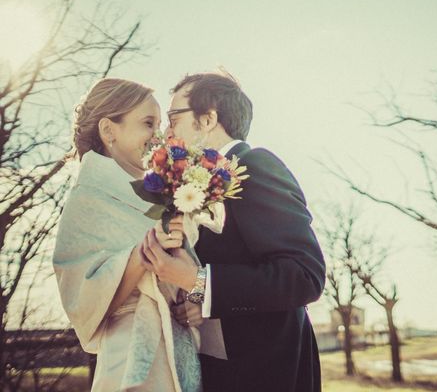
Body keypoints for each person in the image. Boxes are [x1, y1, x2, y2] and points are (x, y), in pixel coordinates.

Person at [141, 72, 326, 392]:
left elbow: (304, 275)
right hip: (222, 374)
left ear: (208, 118)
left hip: (265, 374)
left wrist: (196, 280)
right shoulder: (193, 185)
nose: (167, 130)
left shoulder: (255, 165)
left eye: (174, 117)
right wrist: (201, 300)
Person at [53, 78, 201, 392]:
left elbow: (185, 276)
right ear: (109, 131)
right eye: (148, 123)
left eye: (160, 124)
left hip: (181, 353)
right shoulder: (86, 200)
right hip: (131, 358)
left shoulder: (165, 195)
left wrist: (192, 302)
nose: (159, 135)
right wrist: (139, 257)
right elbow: (82, 301)